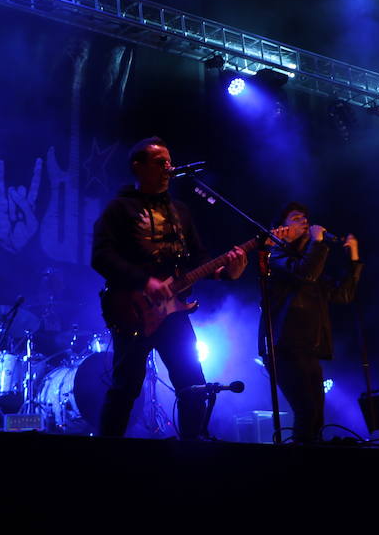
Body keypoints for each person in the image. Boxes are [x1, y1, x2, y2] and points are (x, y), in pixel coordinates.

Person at [91, 137, 247, 439]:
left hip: (174, 312)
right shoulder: (119, 208)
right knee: (127, 385)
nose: (168, 167)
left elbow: (199, 259)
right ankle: (105, 452)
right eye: (160, 161)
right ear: (138, 166)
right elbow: (101, 256)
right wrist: (144, 281)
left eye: (169, 161)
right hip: (133, 309)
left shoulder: (180, 211)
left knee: (193, 383)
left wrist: (226, 272)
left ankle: (191, 452)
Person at [259, 201, 362, 443]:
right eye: (295, 218)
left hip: (309, 348)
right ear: (281, 227)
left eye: (305, 218)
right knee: (306, 411)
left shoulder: (311, 261)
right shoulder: (276, 256)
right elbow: (306, 274)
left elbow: (343, 295)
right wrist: (318, 243)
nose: (304, 222)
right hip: (283, 347)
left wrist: (354, 257)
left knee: (317, 417)